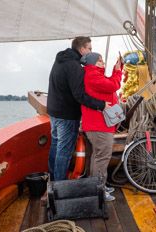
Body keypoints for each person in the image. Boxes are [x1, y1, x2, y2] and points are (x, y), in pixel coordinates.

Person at [47, 36, 107, 181]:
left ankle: (52, 180)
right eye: (90, 49)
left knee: (56, 146)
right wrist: (101, 104)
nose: (91, 52)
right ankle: (59, 185)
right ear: (82, 49)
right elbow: (79, 95)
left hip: (54, 112)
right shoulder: (74, 66)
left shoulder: (60, 60)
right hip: (67, 115)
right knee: (64, 151)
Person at [80, 52, 123, 201]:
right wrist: (118, 72)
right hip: (99, 126)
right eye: (99, 61)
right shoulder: (92, 76)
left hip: (99, 125)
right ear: (91, 63)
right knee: (102, 157)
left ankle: (97, 186)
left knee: (97, 156)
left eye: (102, 60)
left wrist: (116, 68)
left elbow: (110, 83)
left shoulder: (96, 75)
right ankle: (98, 191)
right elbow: (112, 85)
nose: (102, 62)